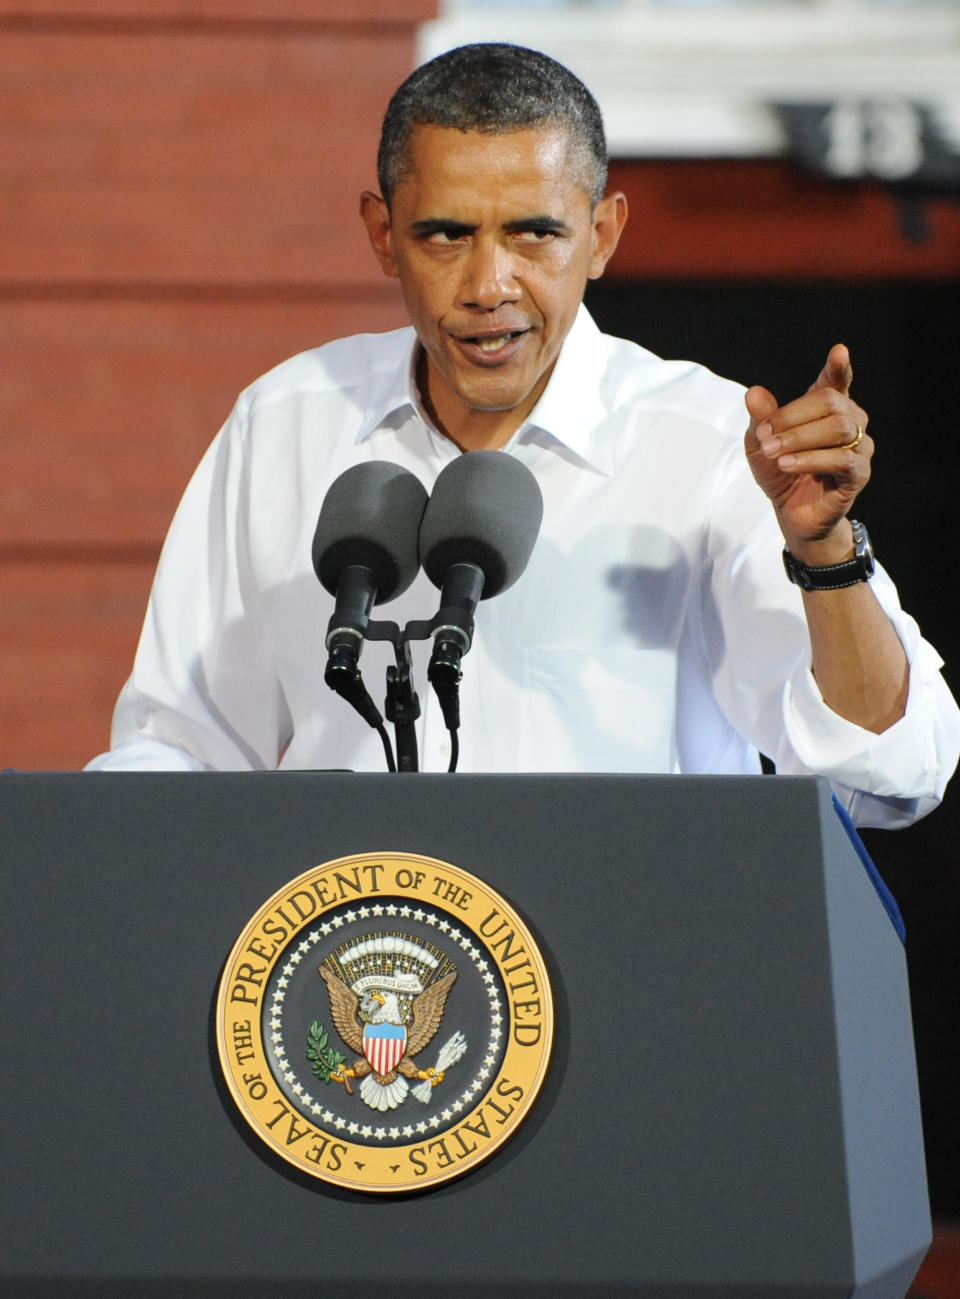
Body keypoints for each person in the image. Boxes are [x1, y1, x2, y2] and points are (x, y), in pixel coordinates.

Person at [87, 42, 959, 828]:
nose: (488, 284)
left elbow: (891, 775)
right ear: (382, 236)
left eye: (535, 233)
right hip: (357, 992)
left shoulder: (705, 447)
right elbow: (178, 750)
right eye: (445, 234)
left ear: (603, 234)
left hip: (635, 988)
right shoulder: (284, 425)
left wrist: (824, 552)